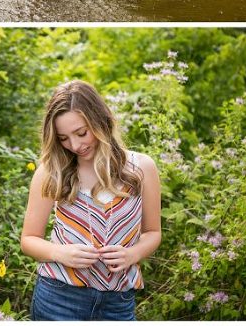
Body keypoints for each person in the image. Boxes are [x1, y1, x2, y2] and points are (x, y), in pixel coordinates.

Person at [21, 80, 162, 321]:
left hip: (118, 303)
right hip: (59, 299)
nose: (75, 145)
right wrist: (59, 253)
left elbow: (153, 233)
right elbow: (28, 240)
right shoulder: (51, 171)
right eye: (63, 138)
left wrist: (132, 254)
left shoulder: (142, 168)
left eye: (81, 133)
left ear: (100, 120)